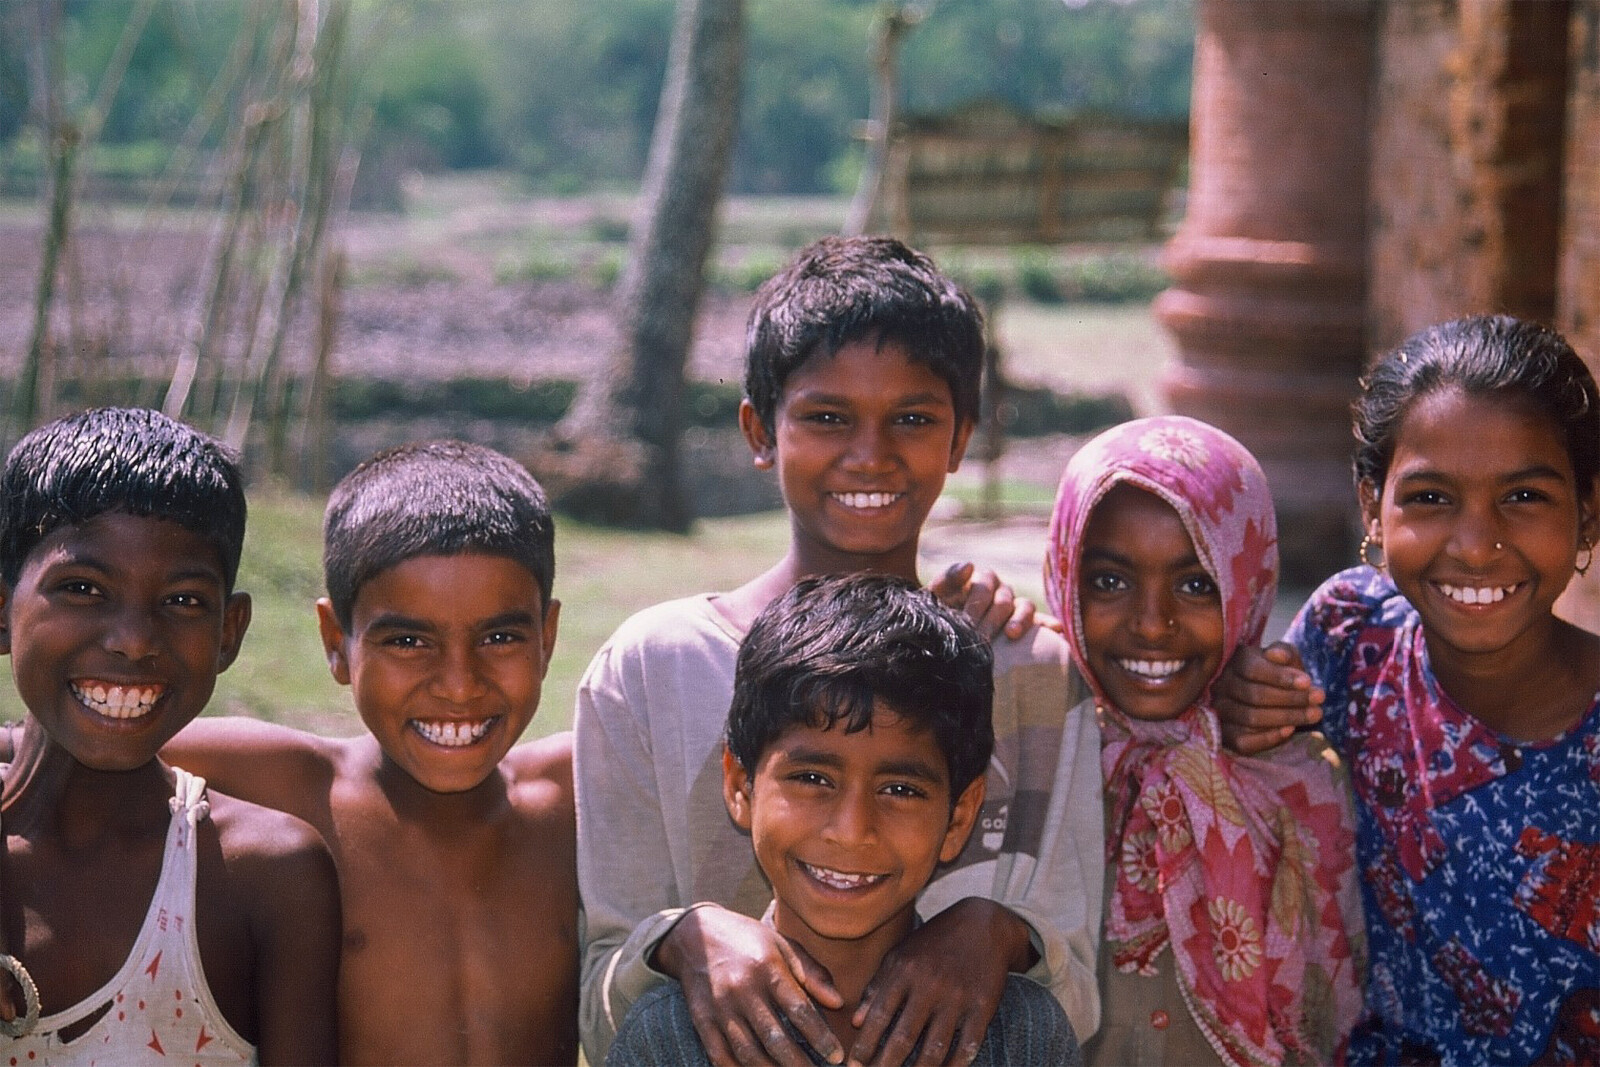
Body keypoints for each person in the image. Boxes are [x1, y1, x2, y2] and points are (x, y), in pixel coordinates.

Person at [577, 235, 1102, 1067]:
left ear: (962, 437)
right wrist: (683, 939)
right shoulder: (652, 668)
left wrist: (995, 934)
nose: (871, 454)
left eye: (914, 419)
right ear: (759, 429)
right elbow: (607, 989)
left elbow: (1072, 989)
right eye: (827, 417)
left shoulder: (1030, 674)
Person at [1215, 315, 1600, 1063]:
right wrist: (1235, 695)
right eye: (1430, 498)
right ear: (1372, 506)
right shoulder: (1352, 635)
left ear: (1587, 511)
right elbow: (1257, 757)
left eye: (1524, 496)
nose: (1475, 544)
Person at [161, 439, 580, 1066]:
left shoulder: (577, 794)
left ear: (546, 637)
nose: (459, 684)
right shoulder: (287, 785)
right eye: (409, 640)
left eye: (499, 636)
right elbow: (35, 753)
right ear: (336, 641)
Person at [606, 574, 1083, 1066]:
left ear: (959, 817)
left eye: (900, 790)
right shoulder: (670, 1037)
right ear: (739, 787)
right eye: (813, 779)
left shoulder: (1019, 1034)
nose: (852, 830)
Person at [0, 407, 339, 1064]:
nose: (133, 639)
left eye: (183, 599)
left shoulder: (264, 877)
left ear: (230, 631)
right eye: (82, 588)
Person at [1043, 415, 1365, 1066]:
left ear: (1245, 581)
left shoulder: (1301, 777)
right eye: (1109, 580)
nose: (1152, 623)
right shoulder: (1035, 750)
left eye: (1196, 584)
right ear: (1064, 574)